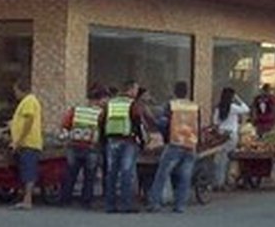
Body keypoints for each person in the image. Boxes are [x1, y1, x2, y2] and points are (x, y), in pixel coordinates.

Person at [147, 81, 200, 213]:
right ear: (187, 91)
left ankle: (155, 203)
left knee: (162, 174)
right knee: (185, 176)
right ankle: (180, 205)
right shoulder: (194, 106)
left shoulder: (171, 105)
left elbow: (163, 122)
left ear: (174, 91)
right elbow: (197, 125)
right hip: (190, 144)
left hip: (175, 143)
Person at [60, 87, 107, 208]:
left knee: (70, 174)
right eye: (104, 100)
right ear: (98, 100)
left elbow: (65, 124)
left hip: (73, 145)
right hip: (91, 147)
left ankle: (65, 199)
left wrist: (66, 138)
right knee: (89, 176)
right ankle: (86, 201)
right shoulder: (100, 113)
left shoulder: (76, 110)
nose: (105, 103)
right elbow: (103, 130)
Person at [103, 80, 144, 213]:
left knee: (111, 173)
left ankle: (110, 205)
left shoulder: (111, 103)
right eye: (136, 89)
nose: (137, 92)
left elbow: (102, 120)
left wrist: (103, 140)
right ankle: (126, 204)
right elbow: (137, 121)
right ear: (131, 89)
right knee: (127, 173)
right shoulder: (132, 104)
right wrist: (142, 140)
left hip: (112, 140)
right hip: (128, 141)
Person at [9, 77, 43, 210]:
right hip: (26, 142)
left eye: (15, 91)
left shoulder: (29, 101)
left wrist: (19, 140)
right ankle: (25, 199)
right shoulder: (28, 101)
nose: (15, 94)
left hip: (28, 142)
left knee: (28, 172)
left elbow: (29, 120)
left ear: (20, 90)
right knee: (25, 171)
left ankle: (27, 201)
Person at [212, 86, 250, 190]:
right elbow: (246, 109)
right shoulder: (233, 107)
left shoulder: (218, 107)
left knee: (219, 159)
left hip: (221, 135)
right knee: (226, 160)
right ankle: (222, 182)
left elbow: (215, 123)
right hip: (231, 136)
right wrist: (238, 99)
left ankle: (217, 181)